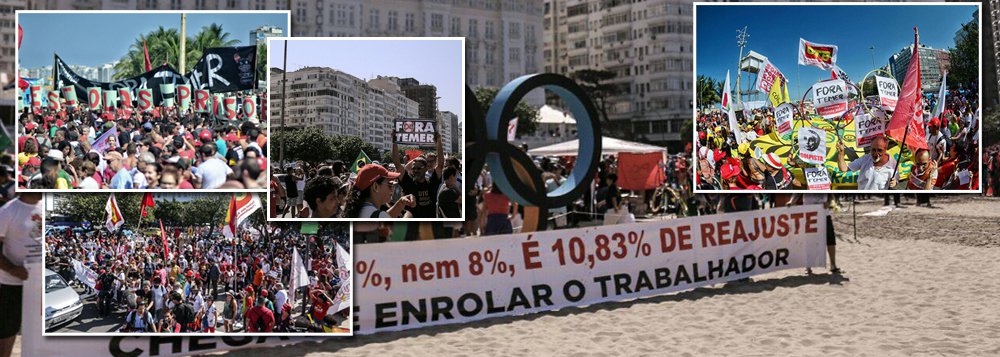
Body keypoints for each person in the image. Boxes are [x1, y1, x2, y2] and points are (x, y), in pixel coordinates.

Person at [0, 192, 42, 356]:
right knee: (7, 333)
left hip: (37, 284)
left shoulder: (45, 207)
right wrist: (12, 269)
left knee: (36, 333)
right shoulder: (8, 211)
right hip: (11, 285)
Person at [347, 164, 413, 220]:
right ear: (375, 187)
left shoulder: (362, 209)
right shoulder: (377, 215)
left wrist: (400, 203)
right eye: (390, 185)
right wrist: (409, 214)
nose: (392, 189)